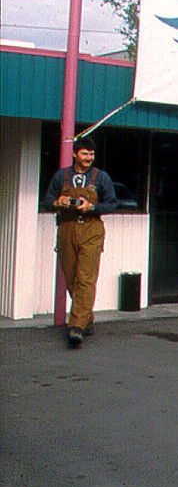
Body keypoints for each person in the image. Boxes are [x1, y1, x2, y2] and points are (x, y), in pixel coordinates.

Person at [43, 136, 118, 348]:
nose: (89, 158)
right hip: (66, 228)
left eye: (92, 155)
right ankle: (87, 319)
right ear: (75, 154)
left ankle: (75, 327)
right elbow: (47, 201)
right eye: (85, 154)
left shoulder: (101, 177)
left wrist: (92, 207)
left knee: (85, 278)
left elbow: (112, 204)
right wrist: (59, 201)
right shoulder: (61, 176)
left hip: (92, 229)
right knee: (71, 279)